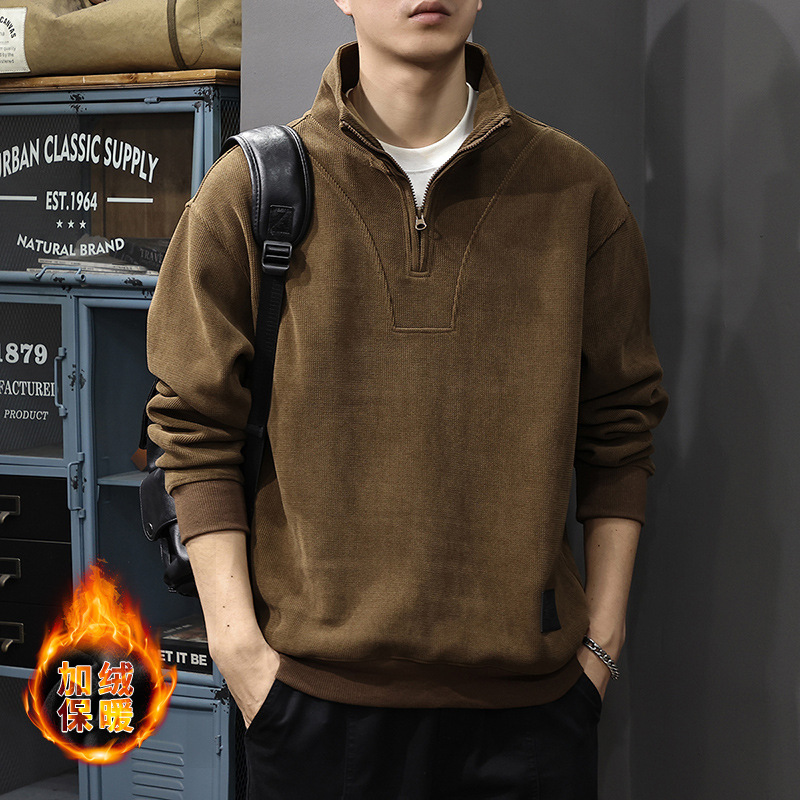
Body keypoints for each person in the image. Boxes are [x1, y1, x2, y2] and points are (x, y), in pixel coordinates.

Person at [146, 1, 668, 797]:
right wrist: (239, 652)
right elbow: (192, 423)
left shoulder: (575, 190)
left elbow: (620, 424)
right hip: (314, 713)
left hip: (530, 719)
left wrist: (601, 643)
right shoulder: (248, 192)